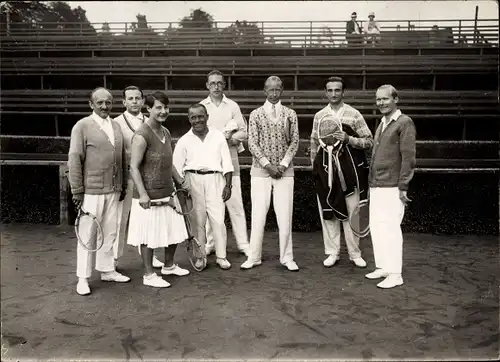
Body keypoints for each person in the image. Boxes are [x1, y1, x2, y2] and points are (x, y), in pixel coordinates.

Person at [68, 87, 130, 296]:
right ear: (91, 104)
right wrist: (77, 190)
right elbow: (75, 159)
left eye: (108, 103)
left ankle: (106, 269)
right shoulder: (82, 126)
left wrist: (122, 185)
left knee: (110, 230)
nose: (104, 107)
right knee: (88, 234)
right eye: (100, 103)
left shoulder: (116, 126)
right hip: (91, 191)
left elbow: (122, 158)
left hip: (114, 188)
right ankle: (83, 278)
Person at [128, 91, 190, 288]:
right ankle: (148, 275)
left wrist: (180, 180)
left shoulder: (166, 132)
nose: (164, 111)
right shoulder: (141, 135)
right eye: (158, 108)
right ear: (148, 109)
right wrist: (143, 194)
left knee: (174, 231)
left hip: (168, 191)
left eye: (166, 107)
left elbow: (169, 162)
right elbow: (134, 167)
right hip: (148, 196)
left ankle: (169, 266)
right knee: (148, 235)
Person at [310, 76, 373, 269]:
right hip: (328, 171)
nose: (333, 94)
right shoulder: (319, 116)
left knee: (352, 211)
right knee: (329, 210)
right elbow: (314, 144)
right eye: (330, 90)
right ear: (325, 92)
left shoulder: (354, 115)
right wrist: (317, 169)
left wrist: (349, 139)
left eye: (337, 90)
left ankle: (355, 254)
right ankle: (332, 252)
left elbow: (369, 141)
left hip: (349, 172)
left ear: (343, 92)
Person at [241, 76, 300, 271]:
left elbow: (295, 142)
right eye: (270, 90)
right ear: (265, 91)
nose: (274, 93)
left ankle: (287, 257)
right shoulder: (256, 114)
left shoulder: (290, 113)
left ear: (282, 90)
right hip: (260, 172)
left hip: (285, 172)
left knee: (285, 216)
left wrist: (282, 165)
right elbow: (252, 143)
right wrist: (268, 166)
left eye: (277, 89)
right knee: (258, 215)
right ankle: (254, 256)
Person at [365, 84, 416, 289]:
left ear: (396, 99)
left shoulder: (405, 123)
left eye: (385, 99)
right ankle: (384, 267)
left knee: (391, 229)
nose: (381, 103)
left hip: (393, 186)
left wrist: (403, 185)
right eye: (378, 99)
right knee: (377, 227)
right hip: (377, 185)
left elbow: (408, 157)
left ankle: (396, 274)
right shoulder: (383, 122)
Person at [173, 104, 234, 270]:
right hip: (193, 181)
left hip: (216, 179)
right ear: (189, 119)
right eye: (193, 117)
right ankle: (200, 257)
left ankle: (222, 256)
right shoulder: (184, 140)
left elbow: (227, 163)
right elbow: (176, 168)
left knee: (218, 220)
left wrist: (228, 185)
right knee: (197, 222)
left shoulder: (218, 136)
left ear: (207, 116)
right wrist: (183, 189)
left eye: (200, 116)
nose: (197, 120)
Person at [199, 70, 250, 257]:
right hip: (210, 165)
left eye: (219, 83)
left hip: (231, 162)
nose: (216, 86)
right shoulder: (201, 106)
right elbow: (199, 133)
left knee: (236, 205)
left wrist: (228, 138)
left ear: (224, 85)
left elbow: (244, 132)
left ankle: (243, 244)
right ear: (207, 85)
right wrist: (216, 140)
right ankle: (210, 243)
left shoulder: (233, 106)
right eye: (212, 83)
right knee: (211, 207)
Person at [114, 86, 165, 270]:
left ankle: (150, 258)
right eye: (130, 98)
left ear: (144, 102)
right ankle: (114, 258)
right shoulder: (116, 123)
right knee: (121, 219)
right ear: (124, 102)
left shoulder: (152, 121)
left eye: (138, 98)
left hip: (148, 181)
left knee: (148, 220)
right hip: (127, 178)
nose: (134, 101)